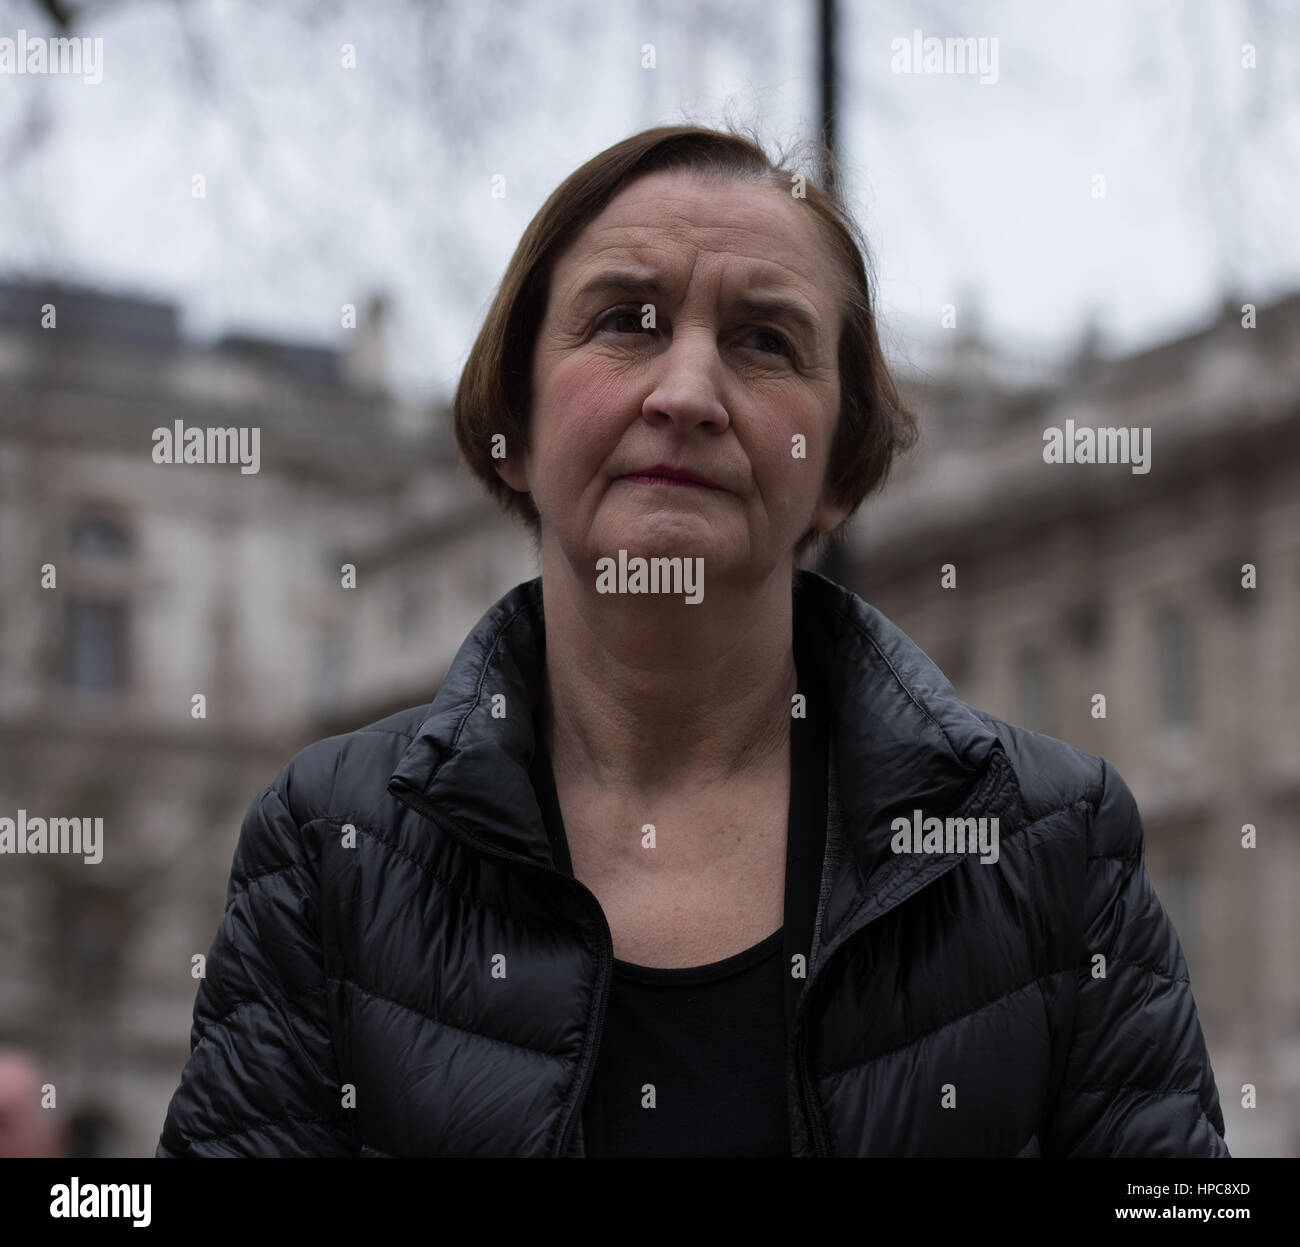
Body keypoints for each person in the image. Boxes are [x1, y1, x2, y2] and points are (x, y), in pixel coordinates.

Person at [155, 123, 1229, 1158]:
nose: (687, 393)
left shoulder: (1051, 844)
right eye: (626, 319)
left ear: (839, 468)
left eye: (766, 340)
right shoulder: (328, 843)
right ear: (513, 427)